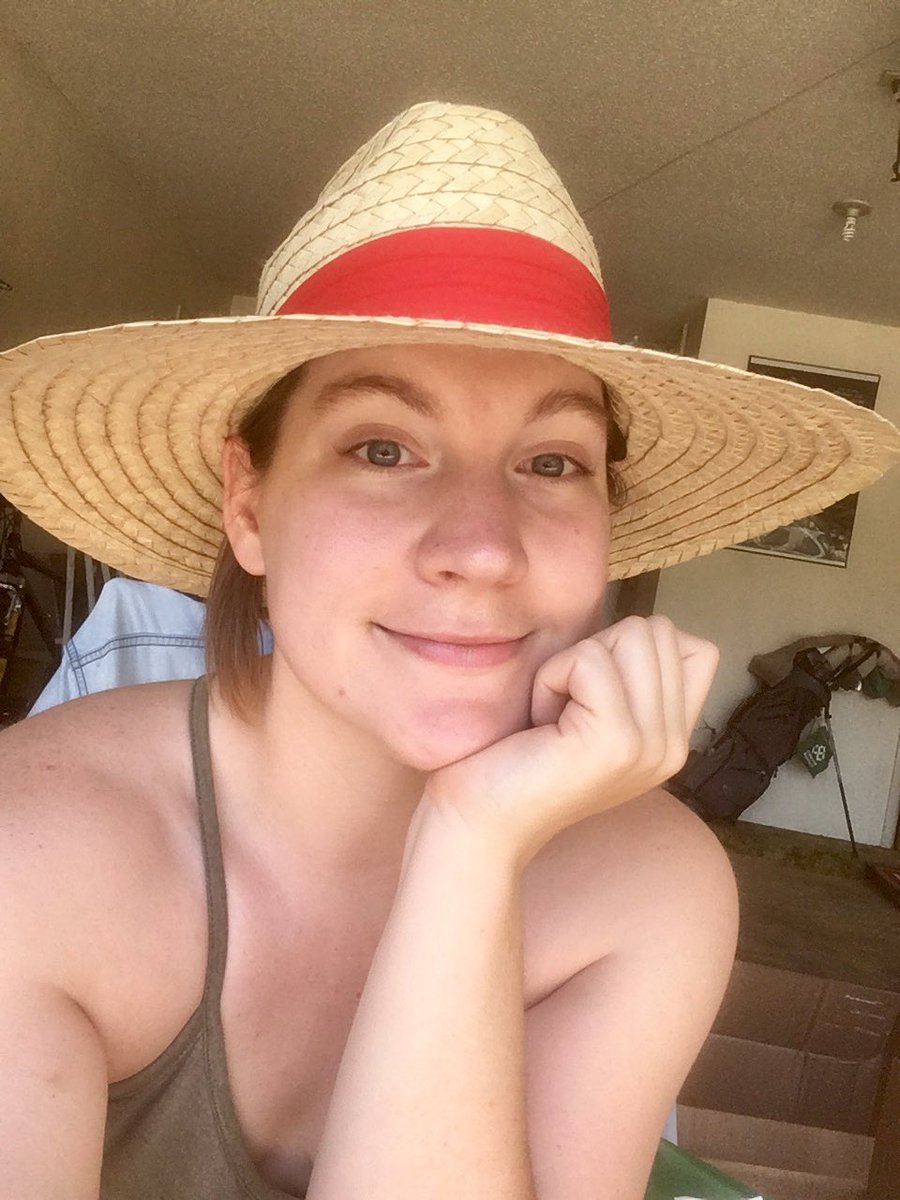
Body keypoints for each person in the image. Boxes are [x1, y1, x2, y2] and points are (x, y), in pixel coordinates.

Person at [0, 102, 897, 1200]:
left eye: (553, 463)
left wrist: (471, 846)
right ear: (249, 504)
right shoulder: (36, 850)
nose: (482, 550)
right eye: (384, 448)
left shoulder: (647, 888)